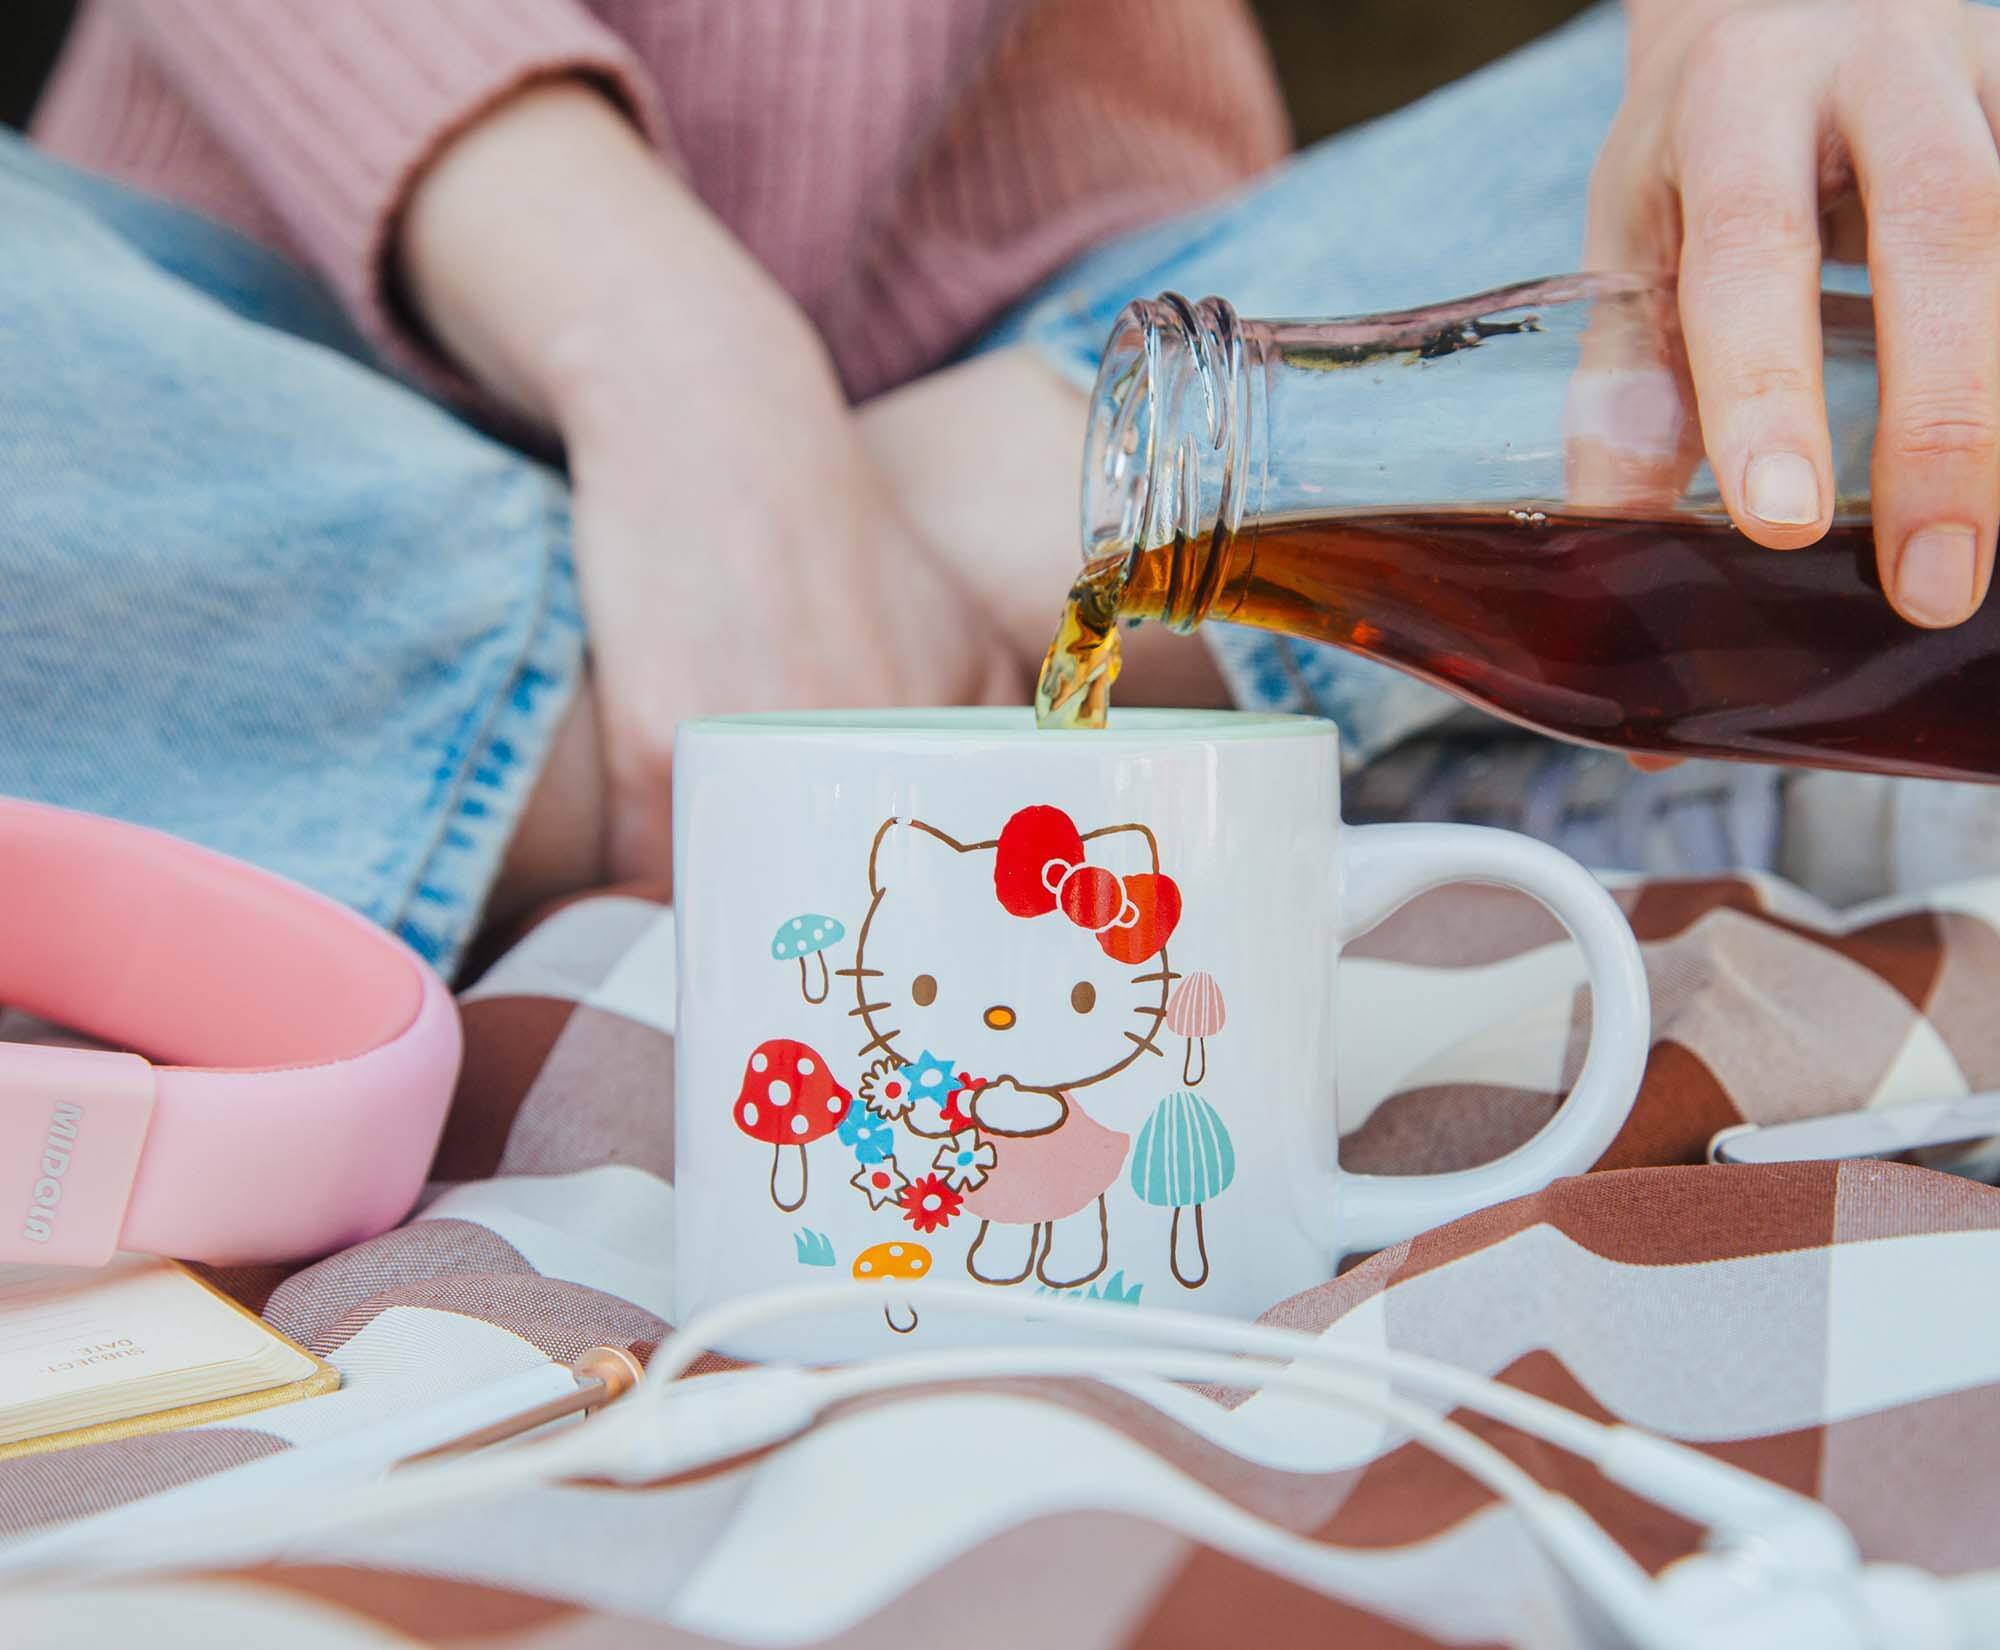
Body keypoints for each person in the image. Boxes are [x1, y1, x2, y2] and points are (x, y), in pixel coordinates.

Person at [7, 0, 2000, 978]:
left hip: (1146, 357)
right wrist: (666, 349)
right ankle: (1381, 692)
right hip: (248, 395)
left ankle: (331, 756)